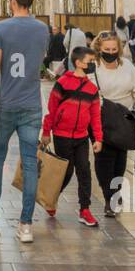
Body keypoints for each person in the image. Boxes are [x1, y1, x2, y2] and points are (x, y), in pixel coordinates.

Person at [0, 0, 50, 243]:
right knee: (29, 162)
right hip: (32, 102)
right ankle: (25, 224)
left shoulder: (0, 28)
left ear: (11, 1)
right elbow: (39, 62)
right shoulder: (42, 28)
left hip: (6, 102)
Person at [91, 32, 135, 216]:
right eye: (106, 50)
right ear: (99, 50)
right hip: (100, 117)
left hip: (125, 117)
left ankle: (116, 193)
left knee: (120, 158)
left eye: (113, 49)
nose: (110, 52)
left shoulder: (127, 66)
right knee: (104, 158)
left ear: (118, 49)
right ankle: (109, 197)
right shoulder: (93, 67)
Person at [43, 45, 104, 226]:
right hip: (62, 135)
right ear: (78, 63)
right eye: (89, 62)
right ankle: (51, 199)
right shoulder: (62, 83)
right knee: (65, 172)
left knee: (84, 171)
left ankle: (84, 209)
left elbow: (95, 116)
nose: (92, 65)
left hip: (81, 137)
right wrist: (46, 131)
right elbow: (52, 110)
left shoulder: (92, 89)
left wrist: (98, 138)